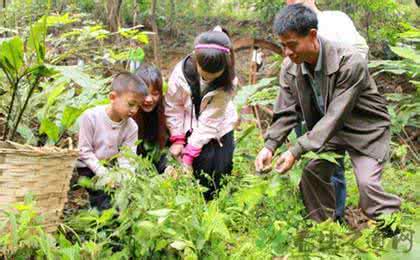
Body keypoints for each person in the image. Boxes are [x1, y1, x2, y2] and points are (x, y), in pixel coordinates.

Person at [255, 4, 401, 223]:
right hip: (329, 132)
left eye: (292, 45)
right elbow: (286, 112)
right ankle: (324, 230)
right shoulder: (290, 68)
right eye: (283, 45)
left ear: (312, 35)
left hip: (365, 130)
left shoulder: (350, 62)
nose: (287, 52)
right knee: (312, 174)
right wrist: (270, 145)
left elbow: (336, 115)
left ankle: (397, 239)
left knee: (369, 188)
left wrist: (296, 150)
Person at [286, 0, 369, 221]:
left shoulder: (336, 20)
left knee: (335, 163)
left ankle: (337, 215)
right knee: (318, 161)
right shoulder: (290, 25)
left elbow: (360, 53)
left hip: (340, 106)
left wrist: (344, 85)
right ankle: (321, 219)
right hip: (311, 107)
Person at [164, 27, 238, 200]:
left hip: (219, 128)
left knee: (218, 172)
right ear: (196, 60)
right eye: (204, 74)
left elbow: (210, 122)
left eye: (214, 76)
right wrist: (177, 138)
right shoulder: (181, 72)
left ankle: (214, 208)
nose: (208, 80)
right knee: (196, 171)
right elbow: (173, 106)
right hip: (189, 123)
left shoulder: (229, 81)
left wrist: (189, 155)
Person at [76, 72, 148, 210]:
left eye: (138, 106)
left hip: (111, 167)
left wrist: (125, 179)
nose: (134, 110)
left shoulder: (131, 127)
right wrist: (104, 175)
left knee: (126, 198)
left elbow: (127, 157)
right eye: (131, 104)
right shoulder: (91, 117)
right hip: (88, 167)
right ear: (112, 97)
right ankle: (100, 219)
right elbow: (84, 151)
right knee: (103, 198)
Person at [132, 64, 168, 173]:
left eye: (155, 93)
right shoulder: (127, 113)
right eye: (144, 94)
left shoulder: (166, 111)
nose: (148, 99)